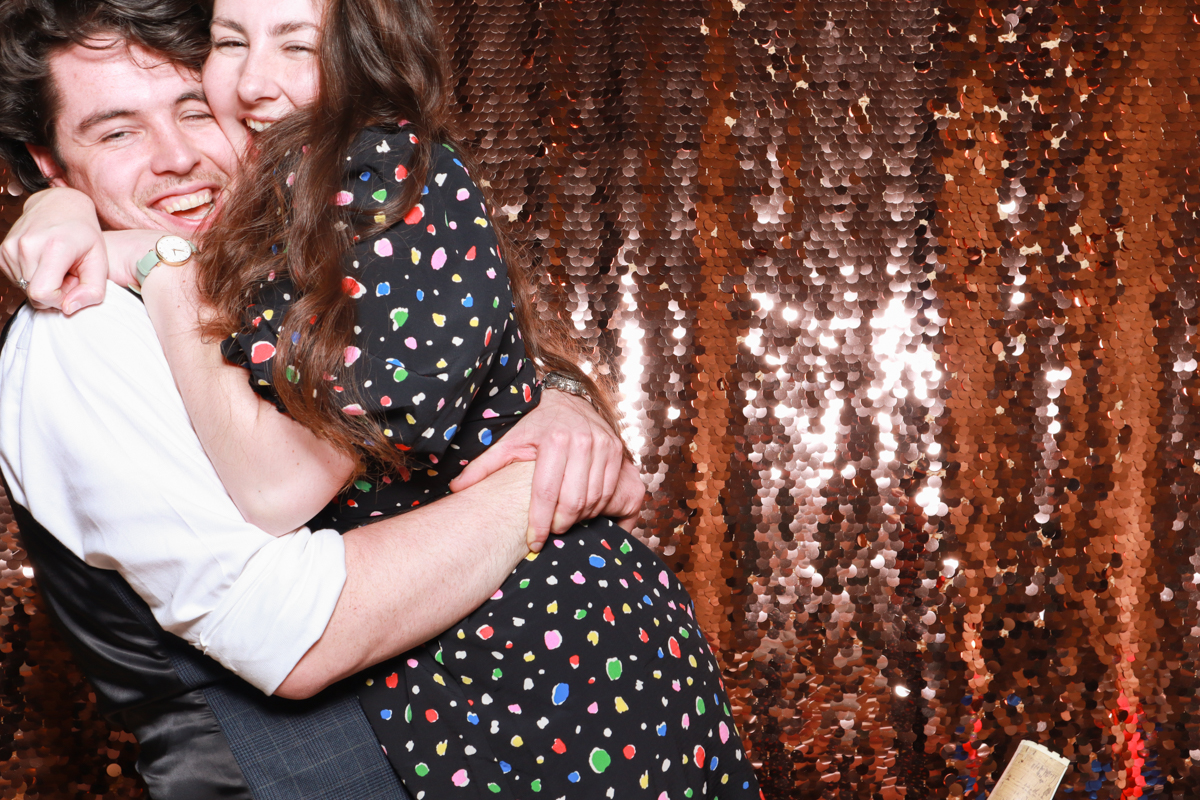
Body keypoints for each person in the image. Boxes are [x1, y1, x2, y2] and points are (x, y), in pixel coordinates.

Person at [5, 0, 763, 797]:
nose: (179, 158)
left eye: (196, 109)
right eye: (117, 132)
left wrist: (561, 402)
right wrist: (541, 485)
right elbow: (291, 632)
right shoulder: (81, 333)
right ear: (50, 162)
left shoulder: (294, 257)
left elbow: (465, 380)